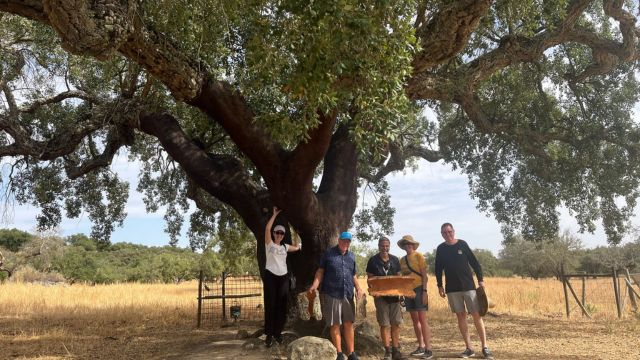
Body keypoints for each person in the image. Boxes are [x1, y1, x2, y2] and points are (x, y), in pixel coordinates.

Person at [435, 223, 493, 359]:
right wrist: (440, 285)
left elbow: (475, 263)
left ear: (453, 231)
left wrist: (480, 280)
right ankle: (469, 348)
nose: (447, 234)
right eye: (444, 232)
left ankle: (485, 347)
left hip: (469, 287)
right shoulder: (441, 249)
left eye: (449, 231)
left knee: (476, 315)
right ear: (442, 234)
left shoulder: (462, 244)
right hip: (452, 289)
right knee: (460, 316)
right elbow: (438, 269)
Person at [308, 231, 365, 360]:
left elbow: (353, 275)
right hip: (332, 293)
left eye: (348, 241)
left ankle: (351, 353)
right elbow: (320, 271)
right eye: (344, 240)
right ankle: (339, 353)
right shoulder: (329, 254)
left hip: (348, 294)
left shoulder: (352, 256)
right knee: (335, 324)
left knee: (348, 323)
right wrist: (314, 285)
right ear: (339, 240)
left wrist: (358, 288)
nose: (346, 243)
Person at [263, 207, 301, 347]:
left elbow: (297, 247)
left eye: (281, 233)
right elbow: (267, 229)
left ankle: (277, 333)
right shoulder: (269, 244)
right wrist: (274, 215)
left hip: (283, 277)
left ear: (284, 235)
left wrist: (296, 232)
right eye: (277, 232)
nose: (279, 234)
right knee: (270, 304)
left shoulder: (285, 247)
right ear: (273, 234)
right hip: (271, 276)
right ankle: (269, 334)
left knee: (281, 306)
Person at [366, 236, 404, 360]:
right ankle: (387, 351)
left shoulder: (395, 260)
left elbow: (399, 277)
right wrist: (374, 291)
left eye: (387, 246)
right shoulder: (373, 260)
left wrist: (401, 292)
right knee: (384, 324)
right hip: (381, 298)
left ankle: (396, 350)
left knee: (396, 324)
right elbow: (370, 279)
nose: (385, 248)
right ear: (378, 246)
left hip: (394, 297)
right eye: (382, 245)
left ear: (389, 246)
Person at [398, 235, 433, 359]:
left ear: (413, 245)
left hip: (419, 289)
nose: (407, 245)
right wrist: (402, 293)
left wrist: (424, 291)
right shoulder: (401, 260)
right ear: (403, 246)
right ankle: (421, 346)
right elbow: (402, 278)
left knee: (422, 319)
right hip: (408, 291)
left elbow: (425, 276)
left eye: (410, 243)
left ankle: (429, 349)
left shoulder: (419, 256)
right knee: (414, 320)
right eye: (405, 243)